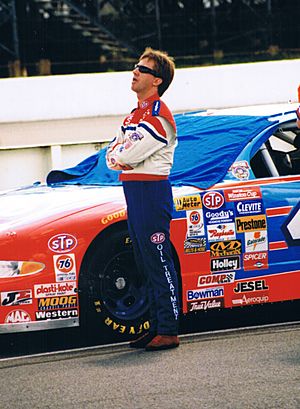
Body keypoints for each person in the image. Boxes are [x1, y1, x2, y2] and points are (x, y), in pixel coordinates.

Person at [106, 48, 180, 351]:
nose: (134, 71)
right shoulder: (133, 115)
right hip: (134, 191)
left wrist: (120, 154)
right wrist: (119, 155)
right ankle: (155, 327)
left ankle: (169, 330)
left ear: (157, 80)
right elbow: (112, 157)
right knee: (142, 261)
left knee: (157, 259)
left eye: (142, 69)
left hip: (152, 192)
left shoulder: (158, 114)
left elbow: (128, 153)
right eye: (135, 67)